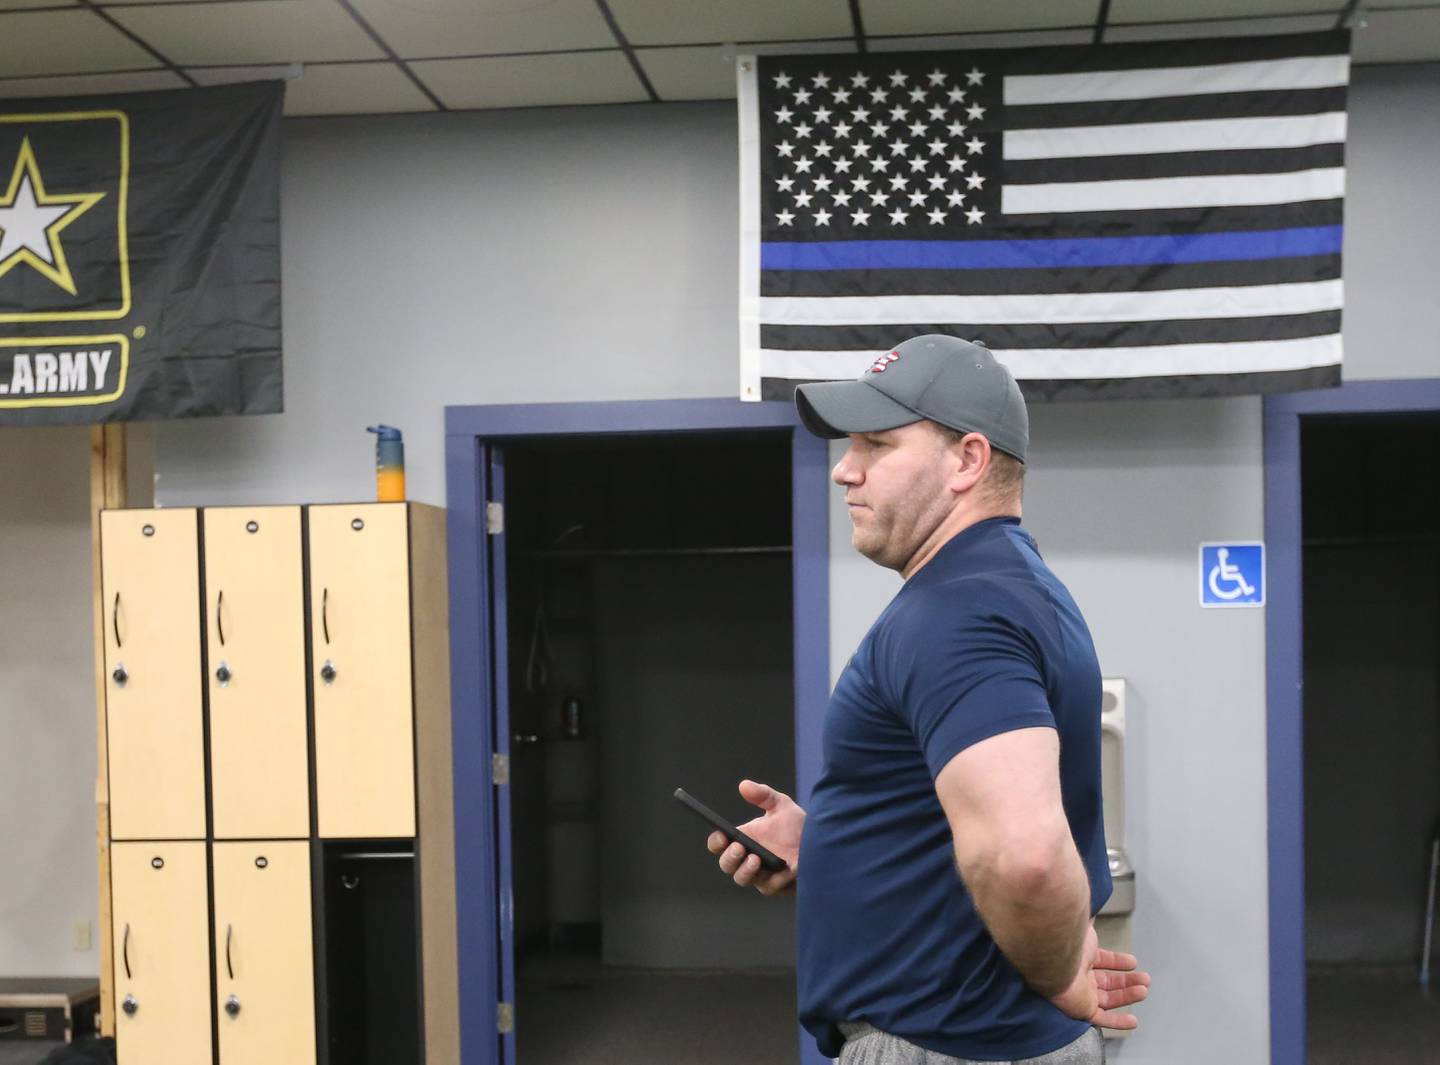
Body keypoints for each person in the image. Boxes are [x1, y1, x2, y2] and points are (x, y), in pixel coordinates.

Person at [705, 335, 1150, 1064]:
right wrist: (832, 849)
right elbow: (960, 823)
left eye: (877, 444)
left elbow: (1025, 857)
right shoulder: (1008, 585)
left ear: (968, 461)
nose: (846, 470)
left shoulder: (959, 611)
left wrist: (1062, 973)